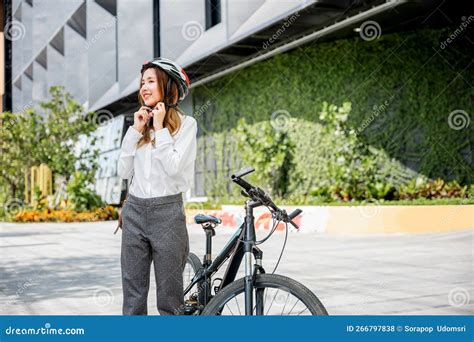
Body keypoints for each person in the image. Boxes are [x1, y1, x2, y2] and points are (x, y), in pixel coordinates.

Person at [117, 57, 197, 315]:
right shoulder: (140, 127)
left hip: (168, 215)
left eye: (150, 81)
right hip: (135, 213)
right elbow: (123, 172)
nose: (144, 88)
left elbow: (174, 168)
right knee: (133, 296)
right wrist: (135, 131)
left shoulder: (186, 125)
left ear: (168, 86)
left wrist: (160, 128)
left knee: (170, 298)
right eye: (142, 83)